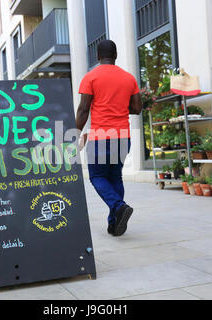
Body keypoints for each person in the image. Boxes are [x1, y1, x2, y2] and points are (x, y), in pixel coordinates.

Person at [75, 40, 142, 237]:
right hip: (123, 136)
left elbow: (83, 108)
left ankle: (119, 206)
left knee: (97, 176)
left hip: (100, 136)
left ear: (97, 56)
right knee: (114, 177)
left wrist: (74, 133)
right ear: (116, 55)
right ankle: (114, 225)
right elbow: (137, 108)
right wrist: (120, 106)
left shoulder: (90, 77)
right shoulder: (129, 78)